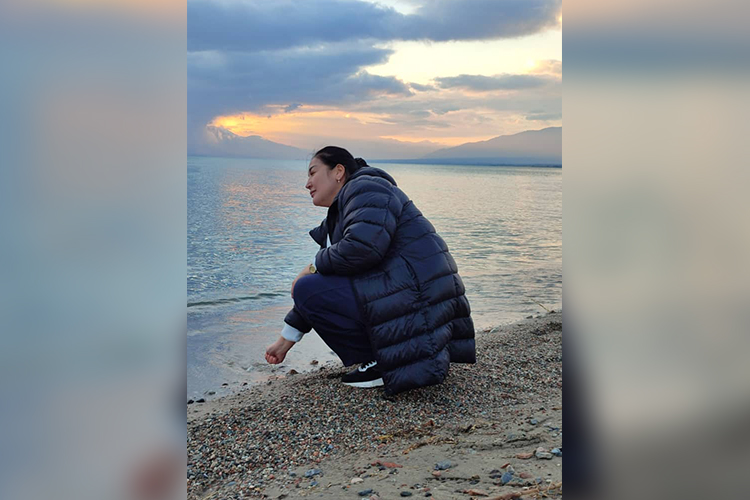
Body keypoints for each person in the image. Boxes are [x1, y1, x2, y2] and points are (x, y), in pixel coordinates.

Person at [265, 146, 475, 395]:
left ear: (339, 171)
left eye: (313, 173)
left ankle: (379, 363)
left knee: (307, 284)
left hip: (420, 296)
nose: (307, 184)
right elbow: (323, 282)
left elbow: (363, 248)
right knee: (309, 286)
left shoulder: (366, 188)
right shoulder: (345, 209)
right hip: (417, 295)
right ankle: (382, 358)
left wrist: (312, 267)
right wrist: (285, 340)